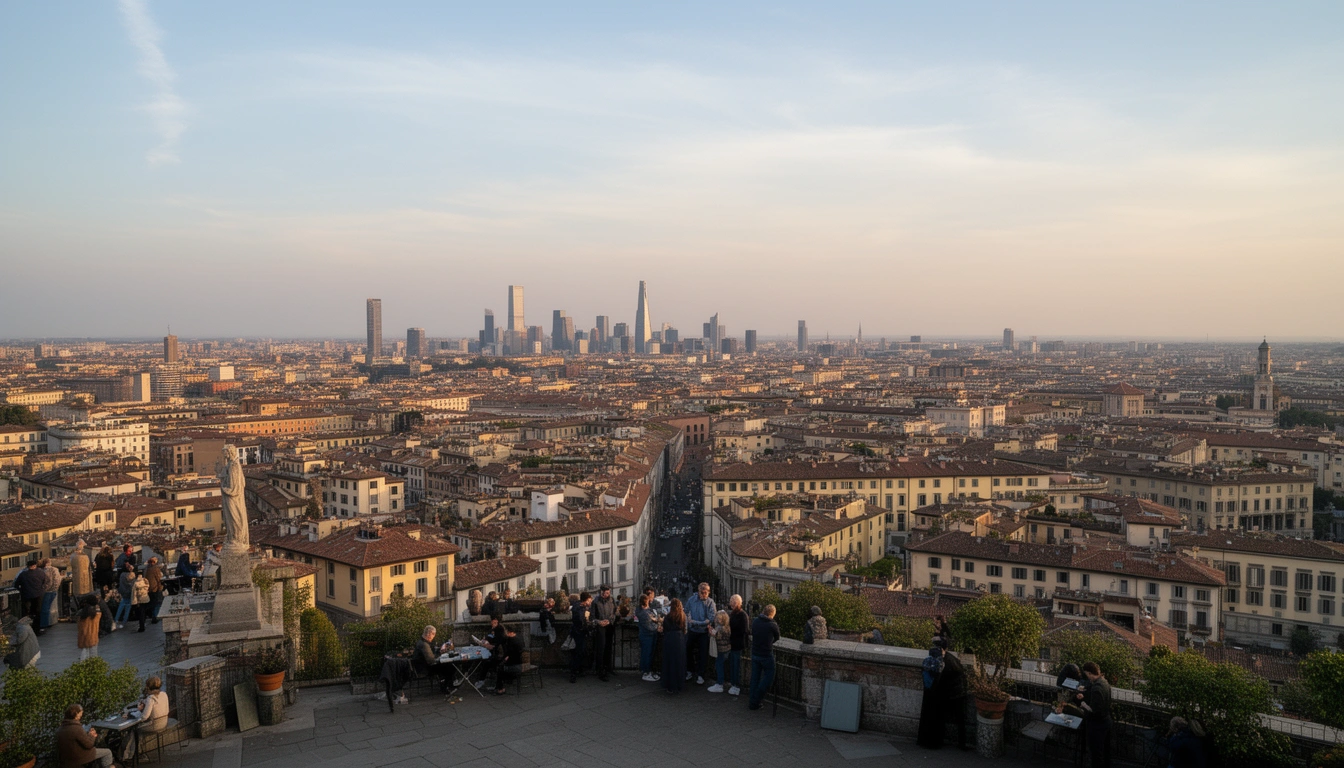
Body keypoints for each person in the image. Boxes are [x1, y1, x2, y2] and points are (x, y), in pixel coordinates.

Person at [1073, 661, 1112, 768]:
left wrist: (1083, 704)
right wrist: (1085, 696)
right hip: (1106, 722)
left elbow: (1093, 710)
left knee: (1096, 754)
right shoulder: (1105, 682)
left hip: (1097, 725)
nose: (1087, 677)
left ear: (1089, 673)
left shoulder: (1097, 688)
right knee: (1104, 752)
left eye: (1087, 674)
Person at [57, 703, 115, 768]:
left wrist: (88, 735)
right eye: (80, 714)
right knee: (107, 752)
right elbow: (89, 745)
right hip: (79, 757)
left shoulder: (61, 728)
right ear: (76, 714)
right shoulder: (76, 728)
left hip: (67, 759)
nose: (81, 715)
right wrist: (92, 736)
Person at [748, 604, 780, 710]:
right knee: (769, 676)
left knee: (755, 678)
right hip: (766, 654)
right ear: (772, 614)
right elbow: (777, 637)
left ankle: (752, 702)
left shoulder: (756, 621)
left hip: (755, 652)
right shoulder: (772, 624)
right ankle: (757, 698)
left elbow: (752, 632)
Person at [938, 647, 970, 750]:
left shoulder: (946, 661)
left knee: (943, 717)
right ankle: (961, 743)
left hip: (953, 693)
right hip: (958, 693)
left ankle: (940, 740)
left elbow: (944, 677)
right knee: (960, 720)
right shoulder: (951, 659)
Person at [685, 582, 716, 685]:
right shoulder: (691, 600)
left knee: (703, 654)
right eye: (702, 592)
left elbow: (711, 618)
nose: (704, 595)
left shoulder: (710, 602)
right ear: (698, 592)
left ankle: (701, 674)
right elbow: (686, 612)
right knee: (687, 649)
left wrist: (695, 622)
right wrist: (702, 623)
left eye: (706, 593)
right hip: (692, 631)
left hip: (703, 632)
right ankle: (690, 670)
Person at [917, 646, 945, 748]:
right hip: (936, 694)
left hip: (927, 693)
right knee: (935, 718)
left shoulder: (926, 662)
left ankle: (923, 741)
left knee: (925, 716)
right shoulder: (939, 663)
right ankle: (933, 743)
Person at [413, 625, 454, 693]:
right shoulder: (424, 644)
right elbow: (431, 660)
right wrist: (440, 655)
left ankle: (444, 684)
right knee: (450, 667)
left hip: (420, 667)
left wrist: (439, 653)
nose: (433, 637)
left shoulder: (421, 642)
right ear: (429, 634)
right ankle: (445, 687)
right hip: (424, 669)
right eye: (433, 635)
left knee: (446, 666)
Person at [591, 585, 618, 681]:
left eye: (607, 593)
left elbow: (614, 613)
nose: (605, 595)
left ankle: (608, 667)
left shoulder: (612, 600)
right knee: (601, 648)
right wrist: (599, 622)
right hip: (600, 627)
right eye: (603, 593)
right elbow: (592, 616)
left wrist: (609, 621)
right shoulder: (595, 602)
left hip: (609, 626)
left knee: (609, 647)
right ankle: (600, 670)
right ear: (600, 592)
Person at [660, 599, 687, 694]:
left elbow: (665, 629)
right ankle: (679, 684)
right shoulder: (683, 616)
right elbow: (685, 629)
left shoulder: (668, 617)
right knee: (679, 662)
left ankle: (669, 685)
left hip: (669, 639)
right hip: (679, 639)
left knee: (669, 662)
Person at [14, 560, 47, 636]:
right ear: (35, 565)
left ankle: (25, 630)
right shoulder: (41, 573)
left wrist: (22, 590)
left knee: (26, 613)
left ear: (28, 566)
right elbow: (44, 582)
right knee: (37, 613)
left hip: (26, 595)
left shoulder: (23, 574)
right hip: (38, 595)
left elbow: (16, 584)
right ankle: (36, 630)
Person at [635, 593, 661, 682]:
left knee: (647, 653)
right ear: (646, 602)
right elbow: (650, 626)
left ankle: (647, 671)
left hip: (646, 635)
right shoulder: (645, 613)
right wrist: (658, 626)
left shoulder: (641, 611)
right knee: (647, 654)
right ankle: (646, 672)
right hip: (648, 635)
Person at [725, 594, 748, 696]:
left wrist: (731, 630)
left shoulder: (742, 615)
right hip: (734, 643)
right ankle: (733, 683)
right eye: (731, 603)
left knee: (736, 665)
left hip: (738, 643)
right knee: (733, 664)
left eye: (733, 603)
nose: (732, 604)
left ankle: (736, 685)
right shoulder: (735, 614)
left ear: (738, 603)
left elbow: (745, 630)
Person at [493, 625, 524, 695]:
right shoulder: (518, 637)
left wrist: (505, 658)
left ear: (510, 632)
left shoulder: (513, 641)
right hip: (518, 662)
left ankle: (500, 688)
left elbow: (511, 655)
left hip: (515, 665)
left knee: (500, 669)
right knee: (500, 665)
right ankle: (501, 685)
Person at [708, 610, 733, 693]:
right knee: (722, 665)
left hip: (721, 650)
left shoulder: (721, 628)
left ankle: (719, 684)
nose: (717, 620)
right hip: (726, 649)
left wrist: (711, 631)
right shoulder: (727, 627)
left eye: (718, 619)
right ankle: (722, 682)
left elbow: (716, 636)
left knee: (719, 665)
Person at [569, 592, 591, 683]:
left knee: (580, 652)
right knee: (579, 652)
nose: (590, 602)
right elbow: (581, 621)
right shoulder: (580, 608)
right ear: (586, 600)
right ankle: (574, 672)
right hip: (579, 632)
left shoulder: (577, 606)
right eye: (589, 600)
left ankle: (578, 670)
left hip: (578, 632)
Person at [77, 594, 101, 661]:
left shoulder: (82, 613)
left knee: (84, 653)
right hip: (93, 636)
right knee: (93, 655)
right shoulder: (97, 613)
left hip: (83, 637)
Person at [41, 557, 62, 630]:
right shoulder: (55, 569)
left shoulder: (42, 571)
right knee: (51, 608)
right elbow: (58, 580)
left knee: (44, 608)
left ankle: (44, 624)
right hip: (54, 590)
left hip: (46, 591)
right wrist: (55, 588)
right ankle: (52, 621)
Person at [145, 557, 165, 623]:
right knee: (157, 603)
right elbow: (159, 579)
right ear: (154, 562)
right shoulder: (155, 568)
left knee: (152, 603)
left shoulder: (147, 569)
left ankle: (153, 617)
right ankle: (155, 617)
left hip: (149, 588)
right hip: (155, 588)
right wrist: (160, 588)